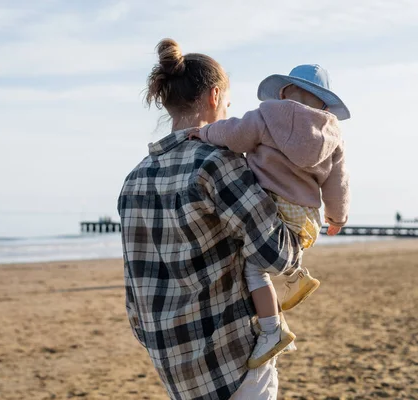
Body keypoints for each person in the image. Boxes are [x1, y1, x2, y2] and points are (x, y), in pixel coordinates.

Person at [118, 38, 307, 399]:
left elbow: (135, 292)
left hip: (173, 365)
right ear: (215, 96)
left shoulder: (135, 178)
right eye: (229, 104)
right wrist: (302, 226)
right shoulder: (217, 163)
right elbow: (277, 256)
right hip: (233, 360)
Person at [188, 64, 351, 368]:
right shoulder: (333, 135)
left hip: (270, 204)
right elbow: (338, 182)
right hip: (306, 218)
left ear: (285, 91)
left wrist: (206, 132)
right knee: (272, 247)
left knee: (253, 267)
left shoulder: (266, 115)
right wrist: (337, 216)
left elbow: (234, 135)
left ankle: (271, 330)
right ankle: (294, 273)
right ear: (325, 105)